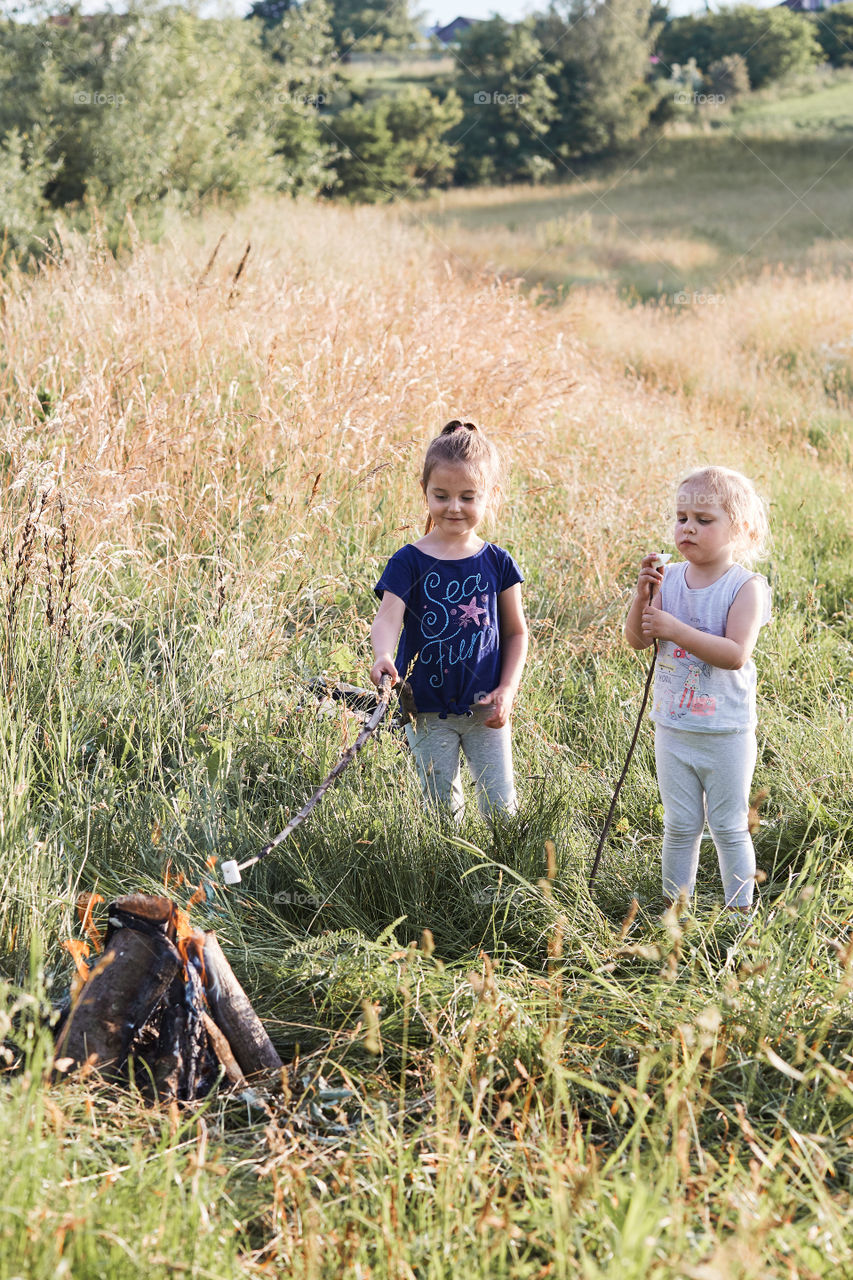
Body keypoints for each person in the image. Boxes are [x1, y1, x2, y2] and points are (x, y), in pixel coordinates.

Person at [624, 466, 771, 912]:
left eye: (704, 520)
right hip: (673, 727)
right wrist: (642, 596)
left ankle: (741, 913)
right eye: (681, 516)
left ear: (740, 530)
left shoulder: (745, 587)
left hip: (725, 731)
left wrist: (676, 628)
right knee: (680, 824)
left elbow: (734, 653)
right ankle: (675, 912)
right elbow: (638, 638)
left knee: (728, 825)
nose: (688, 527)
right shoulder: (669, 580)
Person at [369, 420, 528, 819]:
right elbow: (387, 618)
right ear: (424, 491)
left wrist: (507, 689)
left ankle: (502, 874)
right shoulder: (409, 560)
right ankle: (446, 875)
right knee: (440, 809)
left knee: (501, 806)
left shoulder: (498, 562)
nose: (454, 507)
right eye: (441, 495)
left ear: (490, 496)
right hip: (425, 710)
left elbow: (515, 632)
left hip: (486, 709)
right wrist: (382, 654)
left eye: (468, 496)